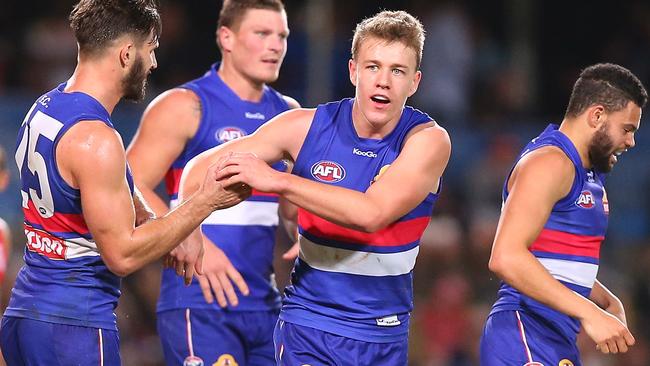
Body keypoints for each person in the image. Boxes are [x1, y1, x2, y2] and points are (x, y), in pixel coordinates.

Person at [177, 10, 451, 365]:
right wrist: (190, 224)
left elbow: (372, 214)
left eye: (397, 71)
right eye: (372, 67)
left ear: (414, 82)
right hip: (308, 326)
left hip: (383, 332)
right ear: (353, 70)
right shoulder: (303, 127)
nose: (383, 81)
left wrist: (279, 181)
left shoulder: (428, 141)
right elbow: (198, 169)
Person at [0, 1, 249, 364]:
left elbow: (111, 183)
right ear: (127, 53)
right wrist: (204, 203)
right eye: (152, 49)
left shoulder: (45, 107)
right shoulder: (97, 139)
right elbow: (122, 254)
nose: (154, 64)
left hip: (25, 318)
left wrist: (162, 223)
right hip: (74, 328)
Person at [125, 0, 299, 364]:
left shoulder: (290, 115)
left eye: (281, 36)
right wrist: (190, 236)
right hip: (199, 300)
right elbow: (127, 181)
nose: (275, 46)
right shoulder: (184, 105)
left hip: (266, 304)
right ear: (227, 38)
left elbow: (291, 210)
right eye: (262, 33)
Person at [481, 63, 647, 365]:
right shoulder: (549, 163)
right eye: (627, 129)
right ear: (597, 116)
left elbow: (553, 261)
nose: (631, 142)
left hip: (557, 339)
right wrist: (590, 312)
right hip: (524, 334)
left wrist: (605, 299)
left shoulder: (588, 174)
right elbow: (506, 257)